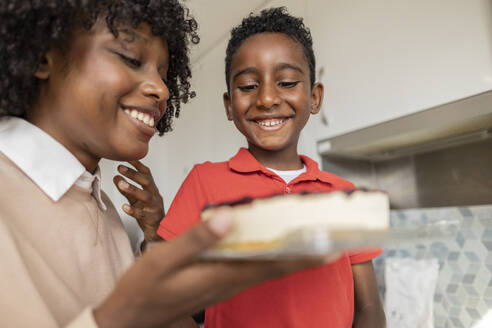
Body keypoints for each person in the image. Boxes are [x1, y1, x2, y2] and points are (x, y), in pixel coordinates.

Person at [0, 2, 330, 327]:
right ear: (43, 55)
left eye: (163, 73)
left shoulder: (105, 214)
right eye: (130, 58)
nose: (161, 89)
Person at [158, 7, 386, 328]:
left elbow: (369, 309)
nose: (266, 98)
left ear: (315, 97)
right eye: (249, 86)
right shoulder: (204, 182)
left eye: (287, 82)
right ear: (229, 105)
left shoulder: (345, 196)